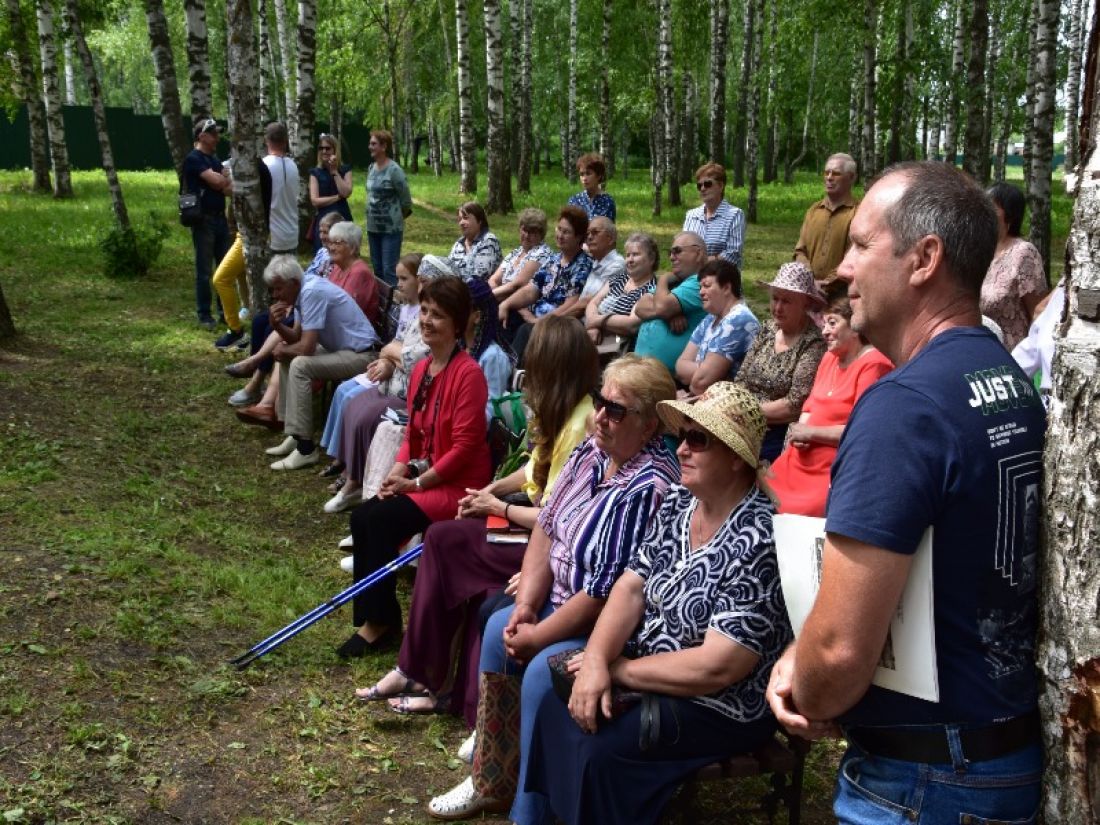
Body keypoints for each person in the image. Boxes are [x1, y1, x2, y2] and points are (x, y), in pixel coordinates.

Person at [766, 161, 1046, 825]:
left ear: (924, 258)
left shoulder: (904, 407)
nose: (841, 269)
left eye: (862, 246)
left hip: (923, 780)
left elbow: (836, 654)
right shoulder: (1005, 377)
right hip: (998, 752)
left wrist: (798, 677)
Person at [521, 383, 792, 825]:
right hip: (653, 670)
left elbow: (720, 667)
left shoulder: (759, 536)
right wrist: (593, 661)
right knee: (560, 707)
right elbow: (630, 587)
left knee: (600, 744)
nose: (681, 448)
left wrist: (617, 670)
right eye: (682, 435)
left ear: (736, 458)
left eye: (698, 439)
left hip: (722, 704)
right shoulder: (681, 503)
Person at [427, 356, 680, 821]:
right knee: (502, 622)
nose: (599, 415)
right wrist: (525, 605)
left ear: (649, 425)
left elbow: (604, 593)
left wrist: (540, 634)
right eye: (601, 401)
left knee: (544, 668)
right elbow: (545, 527)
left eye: (615, 410)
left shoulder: (650, 485)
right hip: (560, 598)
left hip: (609, 624)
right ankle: (493, 777)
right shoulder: (593, 449)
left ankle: (531, 810)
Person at [354, 317, 599, 724]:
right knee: (442, 540)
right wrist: (491, 491)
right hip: (528, 525)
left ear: (552, 366)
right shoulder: (565, 410)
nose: (527, 370)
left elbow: (556, 518)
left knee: (445, 541)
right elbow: (533, 471)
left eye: (535, 360)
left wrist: (497, 508)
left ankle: (421, 673)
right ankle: (422, 673)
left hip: (547, 545)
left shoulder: (581, 423)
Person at [337, 277, 493, 658]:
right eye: (424, 311)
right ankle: (381, 618)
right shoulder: (423, 368)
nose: (426, 320)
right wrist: (398, 470)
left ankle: (380, 624)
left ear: (457, 324)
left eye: (437, 315)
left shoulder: (468, 375)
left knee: (380, 519)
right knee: (363, 517)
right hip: (429, 479)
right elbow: (413, 431)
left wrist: (417, 483)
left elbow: (464, 448)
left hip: (460, 487)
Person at [314, 252, 430, 506]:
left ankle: (357, 482)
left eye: (408, 279)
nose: (401, 284)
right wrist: (390, 358)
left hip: (407, 390)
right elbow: (396, 347)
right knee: (350, 398)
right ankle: (346, 467)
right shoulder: (413, 310)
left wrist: (392, 356)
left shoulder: (429, 317)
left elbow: (415, 359)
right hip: (394, 376)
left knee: (367, 415)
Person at [766, 288, 892, 517]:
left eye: (832, 323)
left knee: (799, 510)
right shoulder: (829, 358)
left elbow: (862, 433)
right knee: (759, 491)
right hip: (799, 458)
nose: (824, 331)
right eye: (823, 324)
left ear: (854, 326)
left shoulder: (874, 364)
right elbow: (809, 408)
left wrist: (811, 433)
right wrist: (798, 434)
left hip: (832, 467)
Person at [246, 256, 379, 469]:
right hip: (342, 350)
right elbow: (296, 337)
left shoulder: (311, 292)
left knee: (299, 364)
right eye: (273, 290)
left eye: (278, 289)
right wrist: (276, 325)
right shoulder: (303, 290)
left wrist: (282, 349)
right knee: (291, 358)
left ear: (294, 283)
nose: (275, 295)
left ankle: (306, 449)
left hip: (363, 355)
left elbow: (306, 348)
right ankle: (295, 433)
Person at [224, 212, 341, 408]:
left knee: (276, 332)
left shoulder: (336, 260)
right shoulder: (322, 253)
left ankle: (257, 380)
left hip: (314, 309)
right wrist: (292, 299)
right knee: (260, 321)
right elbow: (305, 277)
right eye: (320, 231)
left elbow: (320, 292)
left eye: (326, 232)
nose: (322, 236)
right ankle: (257, 379)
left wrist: (295, 303)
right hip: (302, 300)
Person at [735, 262, 826, 461]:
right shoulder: (768, 329)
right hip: (740, 420)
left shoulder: (813, 343)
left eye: (786, 301)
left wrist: (743, 412)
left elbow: (794, 405)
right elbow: (741, 378)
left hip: (775, 433)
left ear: (806, 304)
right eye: (775, 299)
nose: (777, 307)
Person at [499, 205, 592, 362]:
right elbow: (531, 290)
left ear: (578, 237)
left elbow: (571, 304)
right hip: (535, 318)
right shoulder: (553, 260)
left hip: (559, 325)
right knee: (502, 319)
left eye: (566, 232)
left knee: (525, 331)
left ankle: (511, 375)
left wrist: (541, 322)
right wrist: (506, 304)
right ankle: (494, 367)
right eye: (559, 229)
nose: (560, 235)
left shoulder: (582, 265)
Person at [675, 259, 760, 395]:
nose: (701, 292)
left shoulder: (739, 320)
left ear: (726, 288)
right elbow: (680, 367)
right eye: (700, 287)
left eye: (707, 286)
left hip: (727, 407)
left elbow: (701, 383)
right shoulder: (711, 318)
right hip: (707, 399)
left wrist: (703, 372)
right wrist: (704, 370)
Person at [981, 182, 1049, 350]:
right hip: (977, 355)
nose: (984, 213)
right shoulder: (979, 250)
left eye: (991, 207)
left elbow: (1039, 312)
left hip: (1013, 360)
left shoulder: (1023, 253)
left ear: (1010, 215)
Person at [632, 231, 709, 377]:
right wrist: (668, 315)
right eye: (670, 252)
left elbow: (662, 307)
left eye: (677, 251)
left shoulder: (701, 282)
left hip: (666, 378)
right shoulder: (675, 282)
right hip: (641, 371)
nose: (672, 257)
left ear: (698, 253)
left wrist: (663, 279)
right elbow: (640, 307)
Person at [182, 117, 232, 330]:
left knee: (223, 269)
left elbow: (228, 188)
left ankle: (223, 312)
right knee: (204, 270)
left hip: (221, 218)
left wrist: (222, 179)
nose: (217, 137)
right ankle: (204, 314)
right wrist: (221, 179)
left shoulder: (214, 160)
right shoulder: (194, 159)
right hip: (203, 221)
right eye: (213, 133)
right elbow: (221, 182)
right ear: (201, 136)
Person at [584, 232, 659, 348]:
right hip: (594, 336)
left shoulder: (651, 289)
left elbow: (631, 324)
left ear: (652, 259)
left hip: (618, 347)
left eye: (635, 254)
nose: (630, 259)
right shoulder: (620, 278)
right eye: (628, 255)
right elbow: (593, 302)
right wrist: (593, 327)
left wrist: (596, 321)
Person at [793, 152, 859, 285]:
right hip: (809, 292)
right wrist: (810, 280)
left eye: (836, 174)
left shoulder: (859, 213)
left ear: (851, 177)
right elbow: (800, 251)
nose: (829, 177)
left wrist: (828, 283)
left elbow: (854, 257)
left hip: (841, 296)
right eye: (826, 173)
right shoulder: (813, 211)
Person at [365, 129, 413, 286]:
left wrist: (397, 217)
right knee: (377, 269)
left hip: (390, 230)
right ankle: (381, 305)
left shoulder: (394, 170)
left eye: (374, 144)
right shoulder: (371, 168)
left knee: (389, 270)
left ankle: (394, 306)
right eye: (370, 143)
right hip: (373, 229)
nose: (370, 147)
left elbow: (406, 201)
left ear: (384, 146)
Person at [681, 162, 745, 268]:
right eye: (699, 185)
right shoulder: (691, 215)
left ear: (721, 186)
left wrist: (705, 262)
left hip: (722, 278)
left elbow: (733, 254)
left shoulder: (735, 214)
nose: (702, 188)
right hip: (693, 277)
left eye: (707, 184)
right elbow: (683, 247)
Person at [487, 208, 554, 303]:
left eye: (532, 232)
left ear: (541, 234)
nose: (526, 235)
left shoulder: (542, 253)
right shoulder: (516, 252)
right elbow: (493, 279)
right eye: (524, 230)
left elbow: (517, 285)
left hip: (520, 306)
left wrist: (488, 296)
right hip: (498, 298)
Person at [308, 132, 353, 252]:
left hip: (342, 217)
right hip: (324, 220)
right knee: (324, 254)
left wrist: (334, 172)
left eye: (327, 148)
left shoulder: (345, 170)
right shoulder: (315, 173)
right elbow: (315, 200)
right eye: (321, 148)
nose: (324, 151)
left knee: (344, 253)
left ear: (335, 150)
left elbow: (346, 192)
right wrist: (337, 197)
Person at [325, 221, 378, 322]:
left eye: (337, 243)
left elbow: (347, 313)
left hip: (353, 332)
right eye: (330, 243)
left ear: (352, 248)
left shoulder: (360, 273)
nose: (331, 248)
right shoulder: (338, 267)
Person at [263, 121, 300, 256]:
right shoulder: (293, 166)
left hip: (273, 237)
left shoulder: (264, 165)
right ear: (285, 141)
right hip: (292, 234)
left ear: (267, 140)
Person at [575, 217, 625, 312]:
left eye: (595, 232)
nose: (589, 237)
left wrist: (556, 319)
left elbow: (587, 303)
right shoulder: (596, 262)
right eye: (588, 234)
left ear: (610, 239)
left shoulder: (616, 265)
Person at [448, 201, 503, 283]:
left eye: (466, 218)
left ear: (479, 221)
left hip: (479, 292)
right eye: (459, 219)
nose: (461, 223)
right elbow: (447, 269)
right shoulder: (458, 244)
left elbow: (481, 276)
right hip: (457, 289)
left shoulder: (488, 241)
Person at [567, 152, 616, 222]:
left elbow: (609, 229)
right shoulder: (574, 201)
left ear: (599, 176)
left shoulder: (607, 202)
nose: (584, 178)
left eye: (588, 174)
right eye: (581, 174)